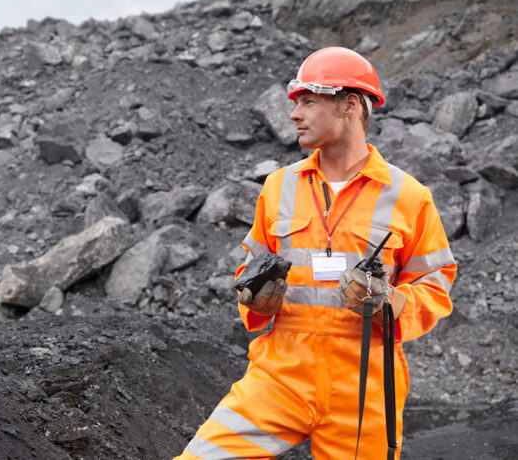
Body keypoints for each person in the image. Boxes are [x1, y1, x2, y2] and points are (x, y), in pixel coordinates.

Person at [175, 47, 456, 459]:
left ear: (350, 105)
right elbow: (250, 271)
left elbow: (435, 284)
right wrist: (256, 299)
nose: (294, 114)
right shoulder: (279, 186)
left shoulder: (408, 196)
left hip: (363, 387)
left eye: (308, 101)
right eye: (296, 103)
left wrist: (389, 300)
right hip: (279, 375)